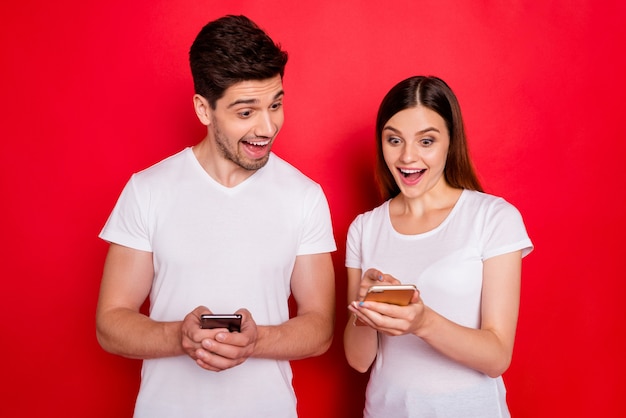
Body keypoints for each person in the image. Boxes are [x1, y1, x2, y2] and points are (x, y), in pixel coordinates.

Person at [96, 15, 336, 418]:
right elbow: (110, 323)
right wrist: (179, 337)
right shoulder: (148, 189)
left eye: (275, 104)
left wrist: (256, 342)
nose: (267, 126)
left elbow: (320, 327)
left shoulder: (304, 197)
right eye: (246, 112)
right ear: (203, 110)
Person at [343, 76, 533, 417]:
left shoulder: (493, 218)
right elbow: (359, 361)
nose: (407, 156)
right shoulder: (364, 228)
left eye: (426, 141)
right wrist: (365, 312)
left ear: (451, 141)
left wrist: (422, 322)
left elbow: (497, 357)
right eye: (394, 140)